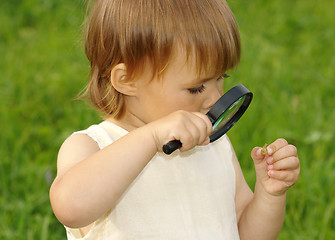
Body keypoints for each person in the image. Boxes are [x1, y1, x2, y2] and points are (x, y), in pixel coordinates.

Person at [49, 0, 300, 239]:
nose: (216, 97)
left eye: (221, 77)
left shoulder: (214, 147)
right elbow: (71, 208)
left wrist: (269, 195)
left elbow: (245, 234)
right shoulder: (92, 146)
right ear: (128, 81)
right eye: (196, 88)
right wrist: (151, 137)